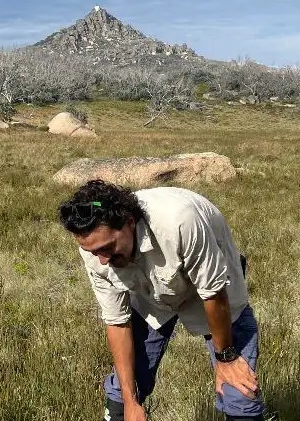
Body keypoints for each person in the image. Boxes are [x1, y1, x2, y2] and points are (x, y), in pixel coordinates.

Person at [57, 179, 271, 421]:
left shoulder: (180, 221)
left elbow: (213, 292)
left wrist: (226, 357)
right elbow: (117, 322)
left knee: (238, 391)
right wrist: (130, 401)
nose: (102, 259)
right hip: (152, 296)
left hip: (215, 291)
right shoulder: (96, 248)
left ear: (129, 222)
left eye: (108, 247)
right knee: (123, 389)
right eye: (93, 252)